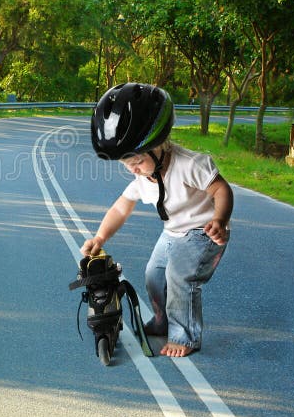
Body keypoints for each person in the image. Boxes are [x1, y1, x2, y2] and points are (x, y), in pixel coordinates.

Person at [81, 83, 233, 357]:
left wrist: (220, 220)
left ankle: (184, 337)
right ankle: (163, 320)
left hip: (204, 231)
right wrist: (100, 237)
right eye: (126, 164)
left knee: (179, 276)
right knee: (153, 275)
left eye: (136, 160)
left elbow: (221, 189)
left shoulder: (189, 164)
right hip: (173, 232)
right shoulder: (143, 176)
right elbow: (120, 208)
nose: (132, 169)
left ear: (159, 144)